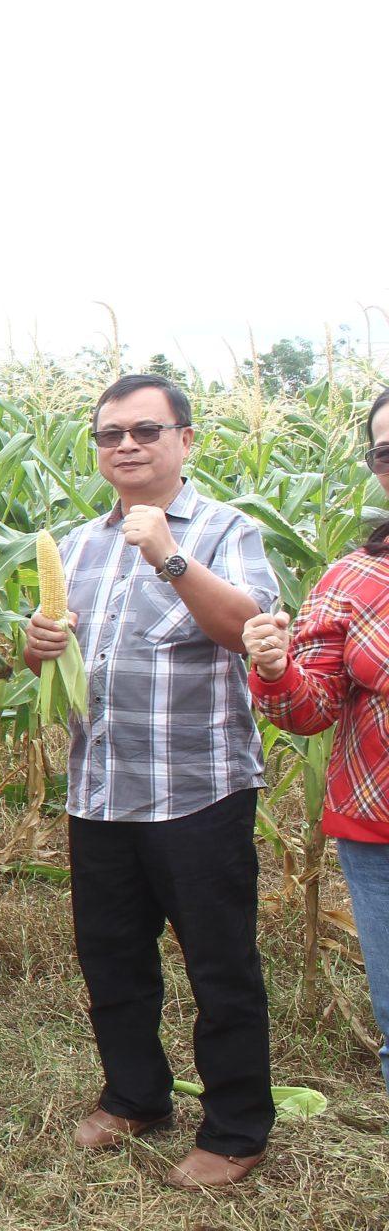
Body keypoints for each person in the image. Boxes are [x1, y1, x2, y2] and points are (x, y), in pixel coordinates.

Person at [25, 373, 279, 1190]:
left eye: (145, 431)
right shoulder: (79, 542)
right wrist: (37, 647)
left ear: (186, 440)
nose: (126, 447)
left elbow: (247, 629)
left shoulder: (227, 529)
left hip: (197, 791)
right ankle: (136, 1094)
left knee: (220, 964)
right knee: (111, 956)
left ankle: (237, 1127)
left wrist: (169, 554)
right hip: (98, 789)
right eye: (110, 436)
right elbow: (62, 660)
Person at [245, 387, 389, 1107]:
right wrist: (276, 670)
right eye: (387, 453)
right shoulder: (352, 579)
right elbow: (311, 710)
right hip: (378, 831)